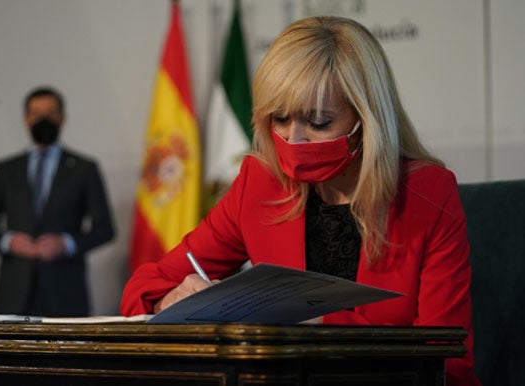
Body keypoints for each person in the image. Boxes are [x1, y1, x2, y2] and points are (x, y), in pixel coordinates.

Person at [121, 17, 480, 385]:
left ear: (367, 120)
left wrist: (311, 320)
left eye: (319, 122)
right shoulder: (260, 184)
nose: (294, 139)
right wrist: (172, 301)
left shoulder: (428, 193)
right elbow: (143, 288)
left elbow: (448, 357)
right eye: (279, 118)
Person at [0, 86, 115, 317]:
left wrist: (66, 244)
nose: (43, 120)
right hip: (14, 294)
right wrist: (10, 241)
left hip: (66, 292)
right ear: (26, 119)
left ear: (62, 118)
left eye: (50, 113)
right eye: (36, 114)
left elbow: (105, 229)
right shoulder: (6, 170)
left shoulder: (84, 169)